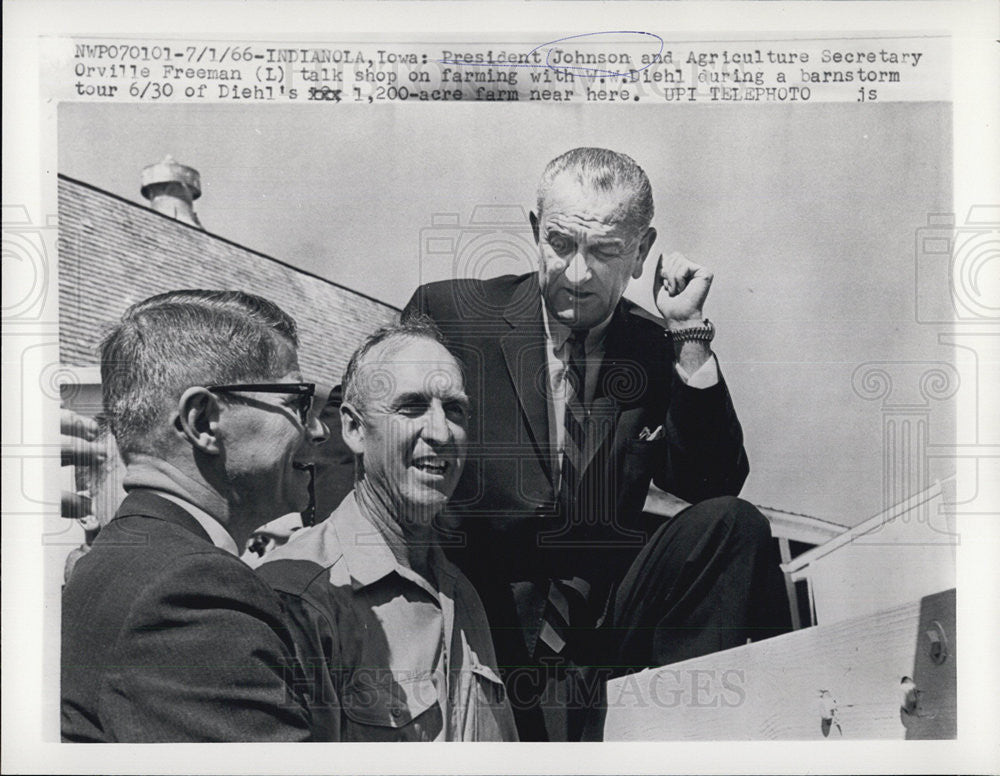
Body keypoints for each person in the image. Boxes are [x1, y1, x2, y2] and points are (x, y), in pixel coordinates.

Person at [402, 147, 791, 740]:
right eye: (560, 243)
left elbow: (711, 483)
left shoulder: (659, 346)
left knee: (732, 525)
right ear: (536, 230)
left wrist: (688, 336)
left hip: (601, 621)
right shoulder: (450, 315)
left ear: (640, 252)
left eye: (605, 251)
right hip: (478, 614)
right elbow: (378, 456)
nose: (576, 272)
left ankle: (689, 738)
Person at [61, 289, 327, 742]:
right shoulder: (189, 591)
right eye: (297, 402)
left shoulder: (128, 560)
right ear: (203, 422)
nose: (319, 430)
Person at [255, 319, 518, 741]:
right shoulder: (297, 595)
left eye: (454, 409)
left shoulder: (464, 594)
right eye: (411, 407)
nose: (440, 431)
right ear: (355, 429)